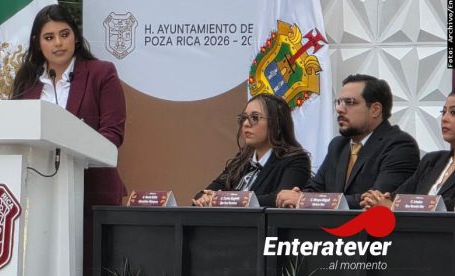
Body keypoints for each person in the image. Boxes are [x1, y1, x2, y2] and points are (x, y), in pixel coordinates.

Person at [10, 4, 126, 276]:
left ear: (76, 37)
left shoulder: (101, 73)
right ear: (38, 43)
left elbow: (112, 135)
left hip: (91, 195)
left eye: (64, 34)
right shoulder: (27, 83)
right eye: (49, 37)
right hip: (37, 198)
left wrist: (73, 143)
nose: (58, 43)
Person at [276, 74, 419, 209]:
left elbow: (374, 200)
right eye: (338, 102)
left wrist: (306, 200)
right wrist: (299, 196)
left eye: (349, 102)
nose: (339, 109)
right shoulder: (338, 145)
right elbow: (315, 189)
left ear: (375, 110)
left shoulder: (400, 146)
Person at [192, 93, 310, 207]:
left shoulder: (296, 160)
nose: (246, 124)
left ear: (276, 124)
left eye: (255, 118)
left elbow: (280, 199)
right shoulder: (242, 159)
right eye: (244, 118)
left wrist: (225, 200)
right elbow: (206, 192)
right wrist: (204, 198)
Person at [361, 92, 455, 211]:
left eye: (453, 112)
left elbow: (448, 207)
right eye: (443, 112)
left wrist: (392, 207)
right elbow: (398, 197)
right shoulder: (431, 160)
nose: (444, 119)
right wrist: (377, 199)